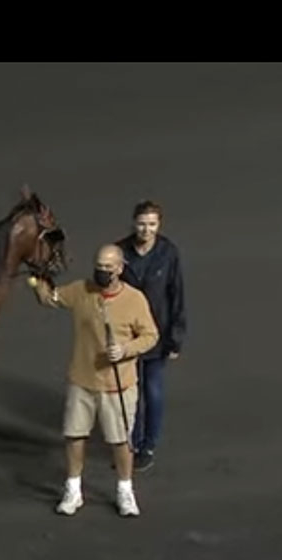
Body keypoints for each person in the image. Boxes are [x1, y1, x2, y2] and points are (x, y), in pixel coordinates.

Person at [29, 243, 159, 518]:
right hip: (82, 380)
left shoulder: (134, 299)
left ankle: (125, 491)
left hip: (117, 385)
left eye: (108, 267)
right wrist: (37, 278)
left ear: (120, 268)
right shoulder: (81, 290)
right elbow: (51, 298)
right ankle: (73, 490)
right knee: (74, 435)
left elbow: (150, 335)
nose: (102, 271)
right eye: (99, 266)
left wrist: (125, 350)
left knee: (120, 440)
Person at [116, 200, 186, 472]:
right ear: (134, 223)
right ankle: (131, 444)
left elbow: (176, 295)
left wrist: (175, 337)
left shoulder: (168, 253)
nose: (146, 230)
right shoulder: (120, 251)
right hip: (126, 334)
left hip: (157, 332)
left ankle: (148, 445)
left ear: (159, 225)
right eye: (142, 224)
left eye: (152, 224)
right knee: (129, 392)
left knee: (152, 390)